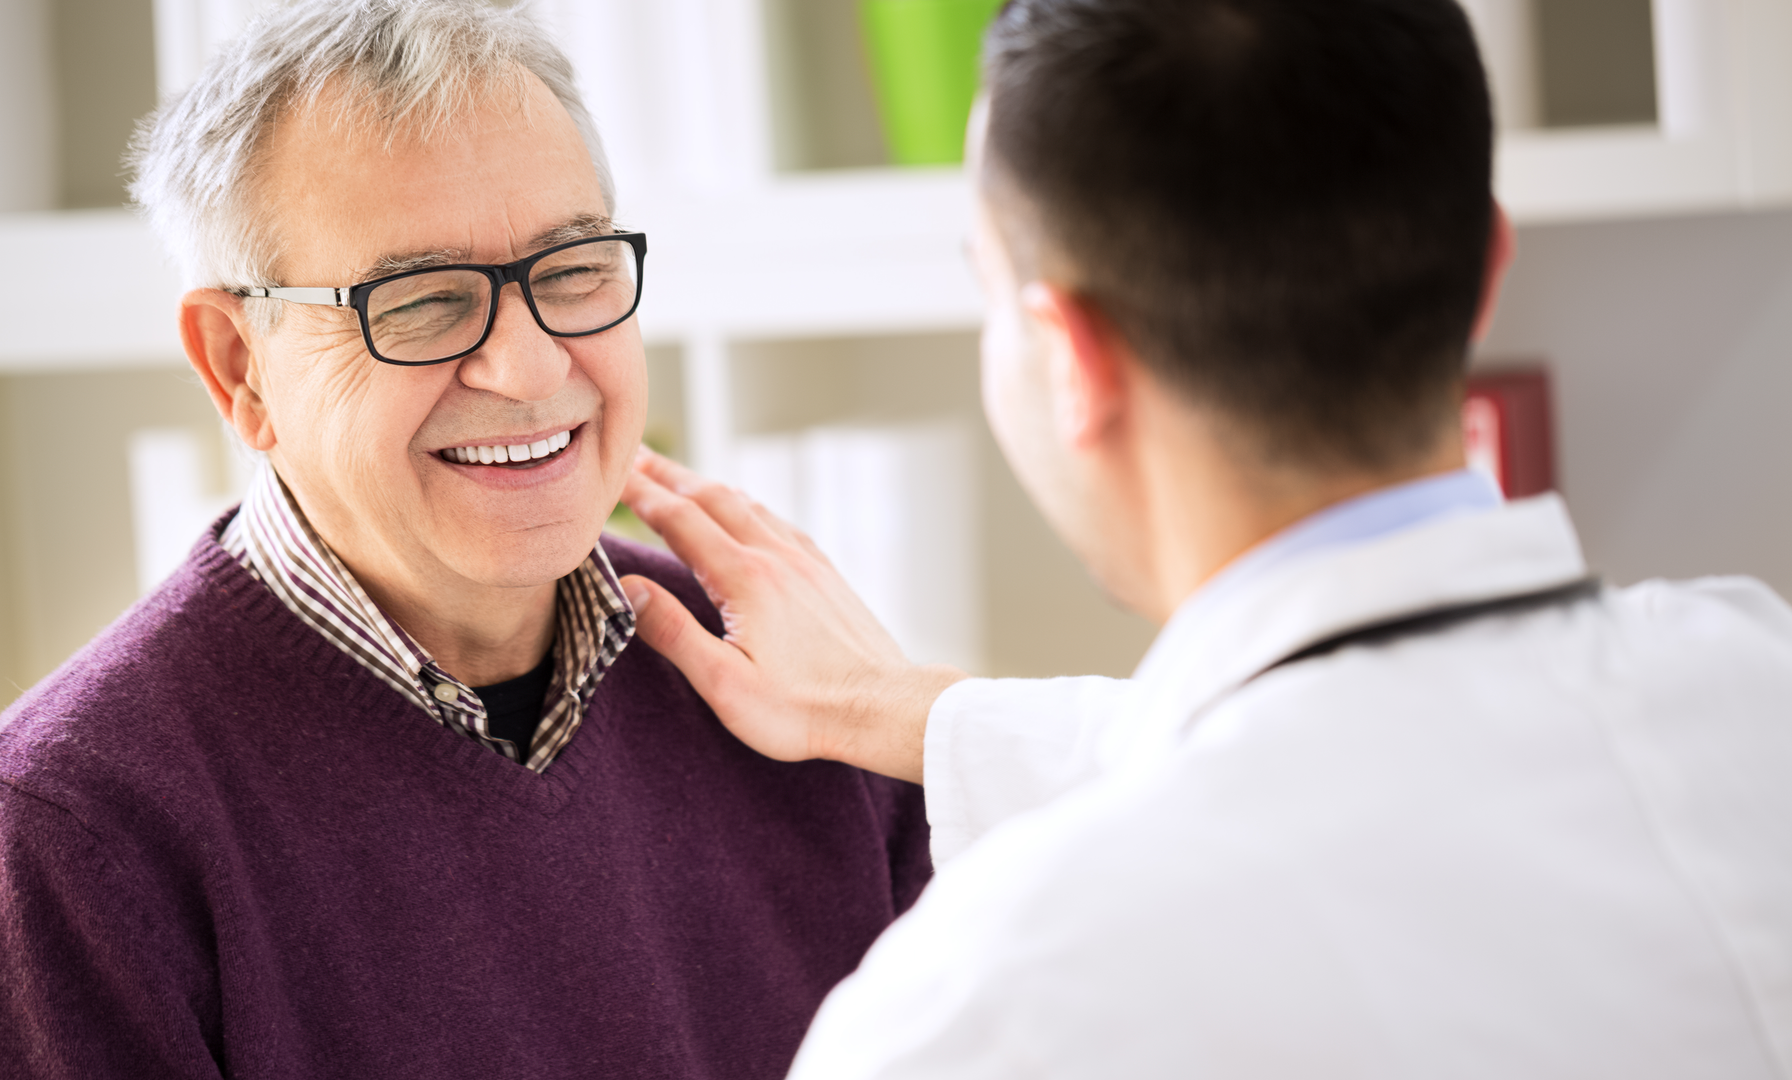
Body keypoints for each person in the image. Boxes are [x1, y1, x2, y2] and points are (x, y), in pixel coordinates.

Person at [618, 0, 1792, 1075]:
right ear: (1488, 269)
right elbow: (1371, 756)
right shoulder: (1751, 677)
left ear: (1070, 358)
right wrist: (921, 714)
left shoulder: (986, 1013)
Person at [0, 2, 929, 1076]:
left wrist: (906, 725)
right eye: (423, 300)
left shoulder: (797, 687)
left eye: (572, 269)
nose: (530, 369)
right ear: (240, 368)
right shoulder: (68, 828)